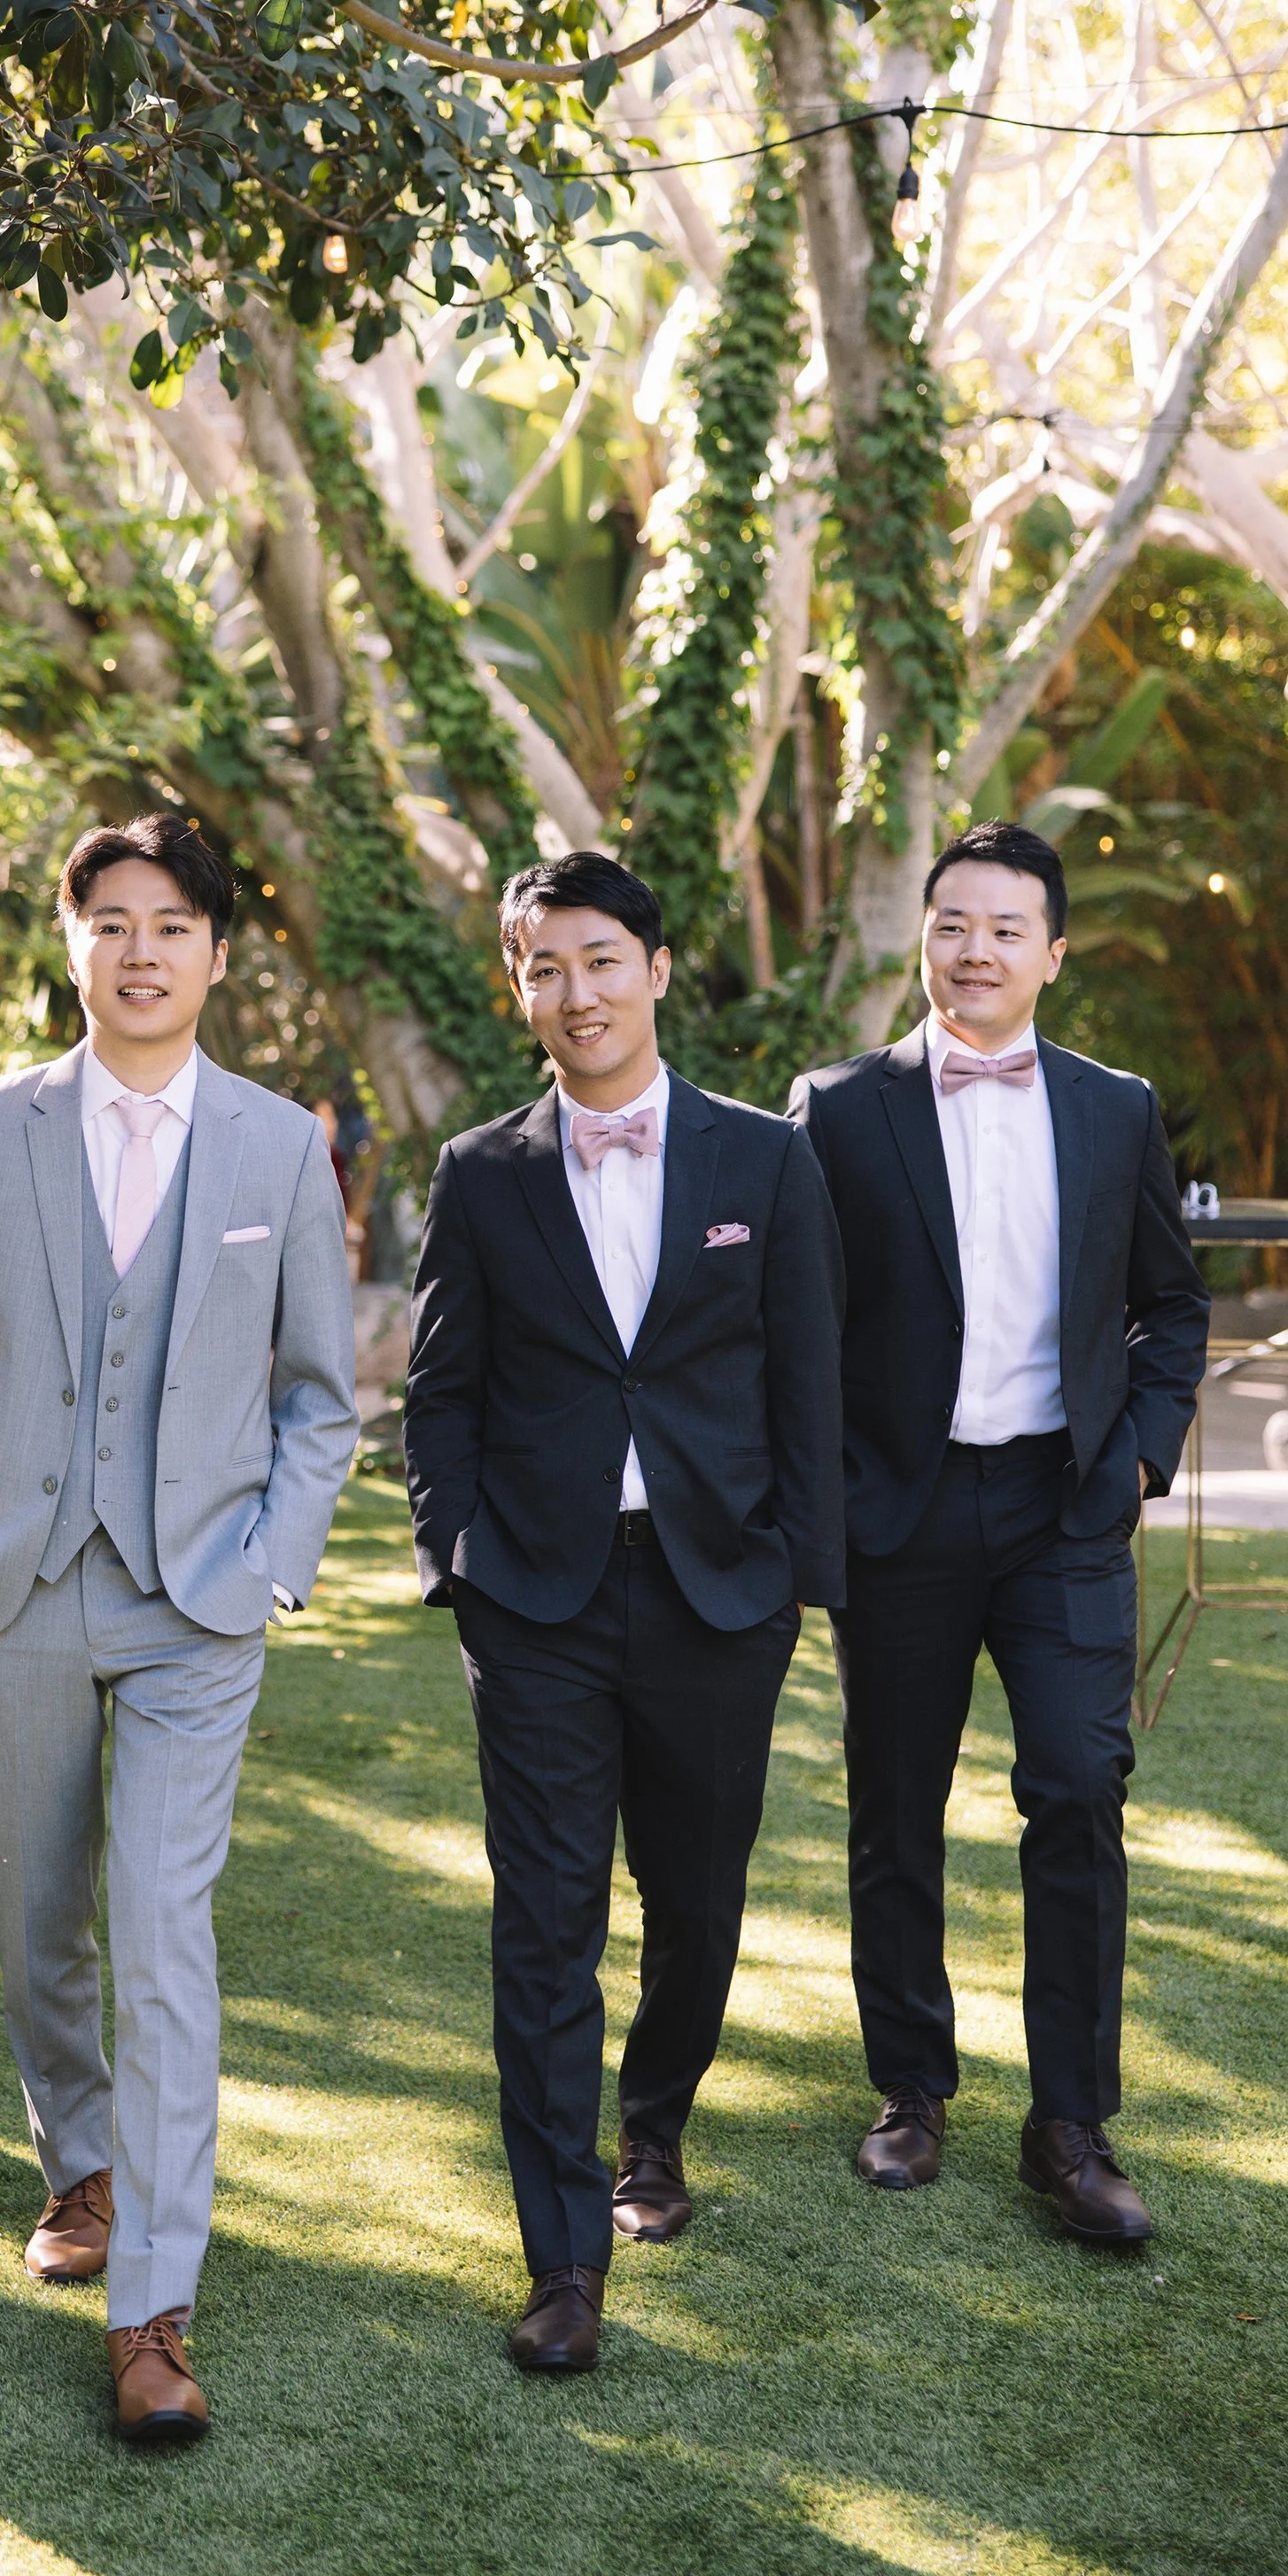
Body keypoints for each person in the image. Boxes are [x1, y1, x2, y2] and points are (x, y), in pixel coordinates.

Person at [0, 811, 355, 2448]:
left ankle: (151, 2300)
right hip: (8, 1580)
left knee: (161, 1925)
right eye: (111, 921)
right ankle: (78, 2162)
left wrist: (271, 1563)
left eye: (171, 923)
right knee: (38, 1917)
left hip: (197, 1597)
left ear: (219, 954)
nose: (140, 949)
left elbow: (320, 1399)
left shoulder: (281, 1148)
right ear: (69, 943)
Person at [405, 850, 843, 2378]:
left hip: (723, 1593)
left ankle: (654, 2122)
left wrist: (801, 1578)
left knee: (700, 1905)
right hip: (534, 1596)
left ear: (656, 971)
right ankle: (564, 2254)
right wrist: (454, 1558)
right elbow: (439, 1390)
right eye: (543, 967)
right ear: (517, 989)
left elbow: (810, 1382)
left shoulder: (765, 1161)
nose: (574, 992)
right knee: (544, 1923)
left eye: (600, 960)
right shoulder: (482, 1172)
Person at [788, 820, 1207, 2242]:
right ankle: (909, 2087)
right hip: (895, 1513)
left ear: (1054, 953)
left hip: (1062, 1507)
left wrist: (1140, 1458)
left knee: (1080, 1787)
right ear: (927, 937)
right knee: (894, 1805)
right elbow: (796, 1318)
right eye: (954, 924)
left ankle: (1072, 2122)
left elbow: (1171, 1302)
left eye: (1007, 930)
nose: (976, 952)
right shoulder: (837, 1106)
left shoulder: (1116, 1107)